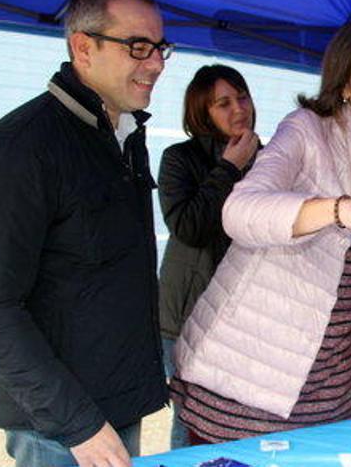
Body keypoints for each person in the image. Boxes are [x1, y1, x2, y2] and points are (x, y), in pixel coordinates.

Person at [169, 15, 351, 444]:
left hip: (331, 389)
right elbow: (240, 210)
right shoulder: (306, 129)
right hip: (245, 374)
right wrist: (334, 210)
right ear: (345, 85)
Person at [0, 0, 171, 467]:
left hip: (114, 406)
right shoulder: (22, 147)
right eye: (138, 46)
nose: (155, 63)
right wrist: (79, 425)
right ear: (83, 47)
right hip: (60, 428)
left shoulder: (122, 135)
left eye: (160, 47)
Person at [157, 64, 260, 449]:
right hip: (190, 315)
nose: (239, 109)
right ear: (202, 111)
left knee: (245, 418)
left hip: (250, 314)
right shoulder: (179, 159)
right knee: (194, 419)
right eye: (223, 103)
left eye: (243, 97)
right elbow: (189, 227)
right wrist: (229, 168)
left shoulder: (270, 158)